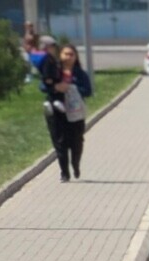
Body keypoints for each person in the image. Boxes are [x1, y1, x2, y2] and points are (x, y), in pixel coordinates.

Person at [39, 42, 91, 183]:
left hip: (75, 112)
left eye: (71, 54)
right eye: (65, 54)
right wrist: (56, 87)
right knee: (60, 142)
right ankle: (64, 173)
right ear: (60, 55)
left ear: (76, 57)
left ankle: (75, 164)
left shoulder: (80, 74)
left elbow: (88, 91)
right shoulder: (54, 70)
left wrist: (71, 88)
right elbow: (43, 86)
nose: (68, 57)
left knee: (76, 142)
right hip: (57, 112)